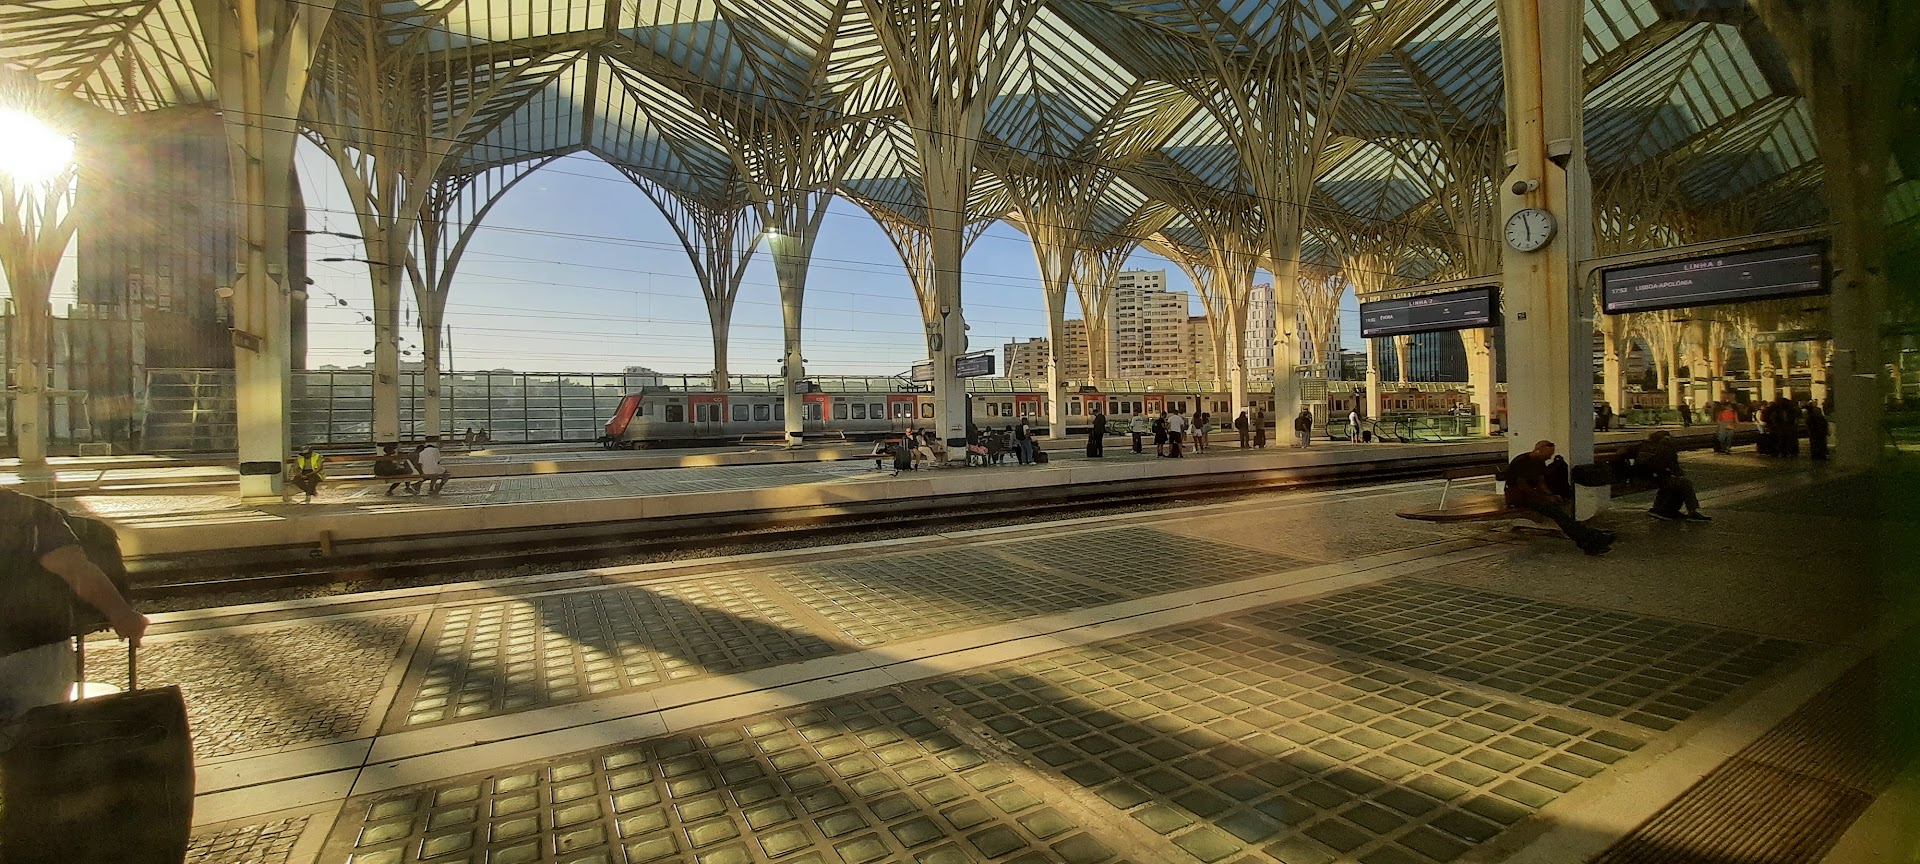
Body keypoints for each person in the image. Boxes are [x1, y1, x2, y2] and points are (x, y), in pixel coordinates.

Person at [1, 489, 150, 718]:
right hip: (36, 655)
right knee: (35, 740)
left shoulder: (31, 514)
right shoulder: (31, 513)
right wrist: (121, 614)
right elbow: (77, 570)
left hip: (32, 654)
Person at [1505, 440, 1615, 556]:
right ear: (1539, 449)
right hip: (1519, 496)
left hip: (1532, 495)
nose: (1549, 457)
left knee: (1559, 513)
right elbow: (1523, 487)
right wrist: (1545, 497)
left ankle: (1589, 540)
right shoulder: (1521, 462)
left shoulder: (1539, 462)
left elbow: (1541, 482)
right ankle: (1591, 538)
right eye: (1548, 454)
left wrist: (1551, 495)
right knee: (1557, 512)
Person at [1637, 430, 1710, 522]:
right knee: (1682, 483)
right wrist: (1668, 472)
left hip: (1661, 475)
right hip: (1651, 476)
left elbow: (1673, 465)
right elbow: (1648, 466)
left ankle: (1670, 509)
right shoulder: (1649, 448)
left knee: (1681, 482)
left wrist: (1675, 472)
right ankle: (1689, 511)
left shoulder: (1666, 449)